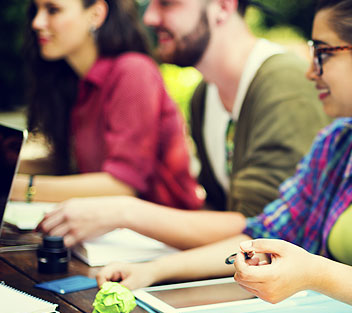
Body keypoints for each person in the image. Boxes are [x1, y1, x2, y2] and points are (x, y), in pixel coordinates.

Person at [96, 0, 352, 313]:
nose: (309, 72)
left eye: (323, 54)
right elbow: (263, 231)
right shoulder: (338, 143)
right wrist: (152, 271)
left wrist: (316, 274)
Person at [36, 0, 329, 248]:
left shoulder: (283, 83)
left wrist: (125, 212)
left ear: (223, 6)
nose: (149, 17)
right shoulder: (205, 95)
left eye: (168, 2)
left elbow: (267, 232)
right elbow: (220, 211)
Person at [15, 0, 203, 210]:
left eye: (53, 10)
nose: (37, 22)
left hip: (166, 233)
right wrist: (10, 166)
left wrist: (21, 188)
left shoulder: (133, 71)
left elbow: (122, 184)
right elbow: (65, 162)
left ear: (96, 14)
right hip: (109, 231)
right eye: (36, 11)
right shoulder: (75, 82)